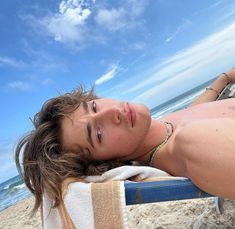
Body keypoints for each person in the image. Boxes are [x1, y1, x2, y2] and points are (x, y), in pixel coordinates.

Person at [15, 68, 235, 215]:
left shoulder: (160, 131)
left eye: (93, 106)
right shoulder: (193, 144)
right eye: (98, 134)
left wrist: (223, 78)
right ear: (107, 164)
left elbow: (192, 112)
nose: (112, 111)